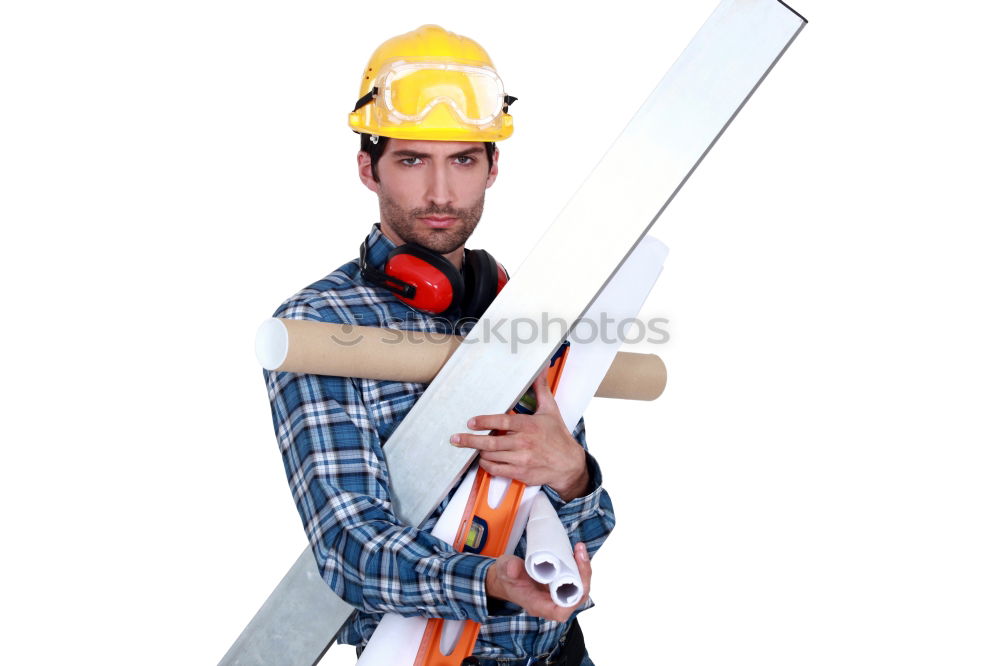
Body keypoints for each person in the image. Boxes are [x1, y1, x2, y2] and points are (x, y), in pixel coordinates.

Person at [265, 25, 614, 666]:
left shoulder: (519, 312)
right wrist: (491, 583)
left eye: (462, 160)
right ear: (368, 167)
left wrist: (572, 476)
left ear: (492, 166)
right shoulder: (321, 327)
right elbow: (350, 549)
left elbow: (590, 530)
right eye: (411, 160)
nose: (440, 194)